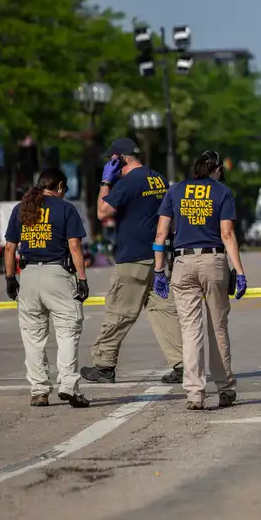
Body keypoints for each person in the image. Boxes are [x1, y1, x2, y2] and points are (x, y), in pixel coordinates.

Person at [80, 138, 184, 385]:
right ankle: (182, 364)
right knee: (164, 312)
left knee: (119, 312)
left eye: (111, 160)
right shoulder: (156, 178)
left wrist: (106, 182)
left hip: (133, 258)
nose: (109, 164)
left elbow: (103, 212)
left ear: (120, 159)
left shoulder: (130, 181)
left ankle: (104, 365)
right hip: (157, 257)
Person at [152, 150, 247, 410]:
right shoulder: (222, 192)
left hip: (182, 263)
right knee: (217, 327)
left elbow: (161, 234)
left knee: (190, 330)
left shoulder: (175, 192)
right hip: (213, 261)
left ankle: (195, 393)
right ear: (216, 169)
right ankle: (225, 388)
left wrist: (159, 272)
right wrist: (239, 271)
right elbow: (227, 235)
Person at [3, 168, 91, 408]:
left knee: (33, 337)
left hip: (29, 275)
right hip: (58, 275)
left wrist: (10, 278)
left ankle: (39, 390)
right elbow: (74, 246)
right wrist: (82, 279)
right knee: (68, 331)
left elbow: (10, 248)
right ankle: (68, 386)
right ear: (60, 186)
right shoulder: (65, 209)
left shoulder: (21, 208)